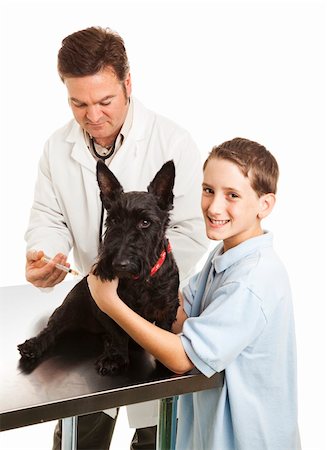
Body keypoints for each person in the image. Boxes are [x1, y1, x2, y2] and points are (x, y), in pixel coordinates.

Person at [24, 26, 209, 450]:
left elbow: (189, 231)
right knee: (78, 433)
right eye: (78, 103)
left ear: (128, 84)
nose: (92, 116)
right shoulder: (56, 148)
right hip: (95, 308)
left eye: (105, 101)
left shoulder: (173, 142)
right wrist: (45, 255)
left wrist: (134, 280)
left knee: (154, 433)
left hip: (153, 315)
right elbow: (48, 216)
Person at [88, 137, 301, 450]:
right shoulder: (226, 255)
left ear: (264, 205)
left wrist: (110, 303)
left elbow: (182, 359)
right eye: (208, 190)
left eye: (232, 195)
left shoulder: (253, 280)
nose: (214, 207)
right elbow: (179, 315)